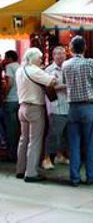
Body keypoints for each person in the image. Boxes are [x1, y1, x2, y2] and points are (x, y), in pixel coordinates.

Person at [63, 36, 93, 187]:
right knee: (90, 143)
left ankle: (74, 177)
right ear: (84, 48)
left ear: (71, 48)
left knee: (74, 143)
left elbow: (64, 83)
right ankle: (91, 175)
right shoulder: (89, 63)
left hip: (72, 108)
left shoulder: (65, 64)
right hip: (88, 106)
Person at [15, 48, 56, 182]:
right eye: (39, 57)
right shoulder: (34, 70)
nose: (41, 60)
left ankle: (20, 170)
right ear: (32, 58)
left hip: (22, 108)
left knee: (23, 140)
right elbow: (52, 81)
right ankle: (31, 173)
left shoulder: (19, 70)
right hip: (34, 108)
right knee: (35, 141)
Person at [42, 47, 70, 170]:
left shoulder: (68, 68)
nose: (60, 56)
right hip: (55, 106)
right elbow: (47, 88)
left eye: (63, 54)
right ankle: (46, 158)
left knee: (64, 134)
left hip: (68, 105)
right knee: (54, 133)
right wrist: (63, 86)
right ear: (53, 56)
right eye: (57, 54)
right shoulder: (49, 70)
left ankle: (60, 155)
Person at [3, 50, 20, 160]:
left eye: (5, 57)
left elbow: (9, 83)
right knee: (18, 128)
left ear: (9, 58)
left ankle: (12, 154)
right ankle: (17, 152)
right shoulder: (20, 66)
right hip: (19, 100)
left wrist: (4, 95)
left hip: (11, 100)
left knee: (11, 128)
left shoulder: (9, 66)